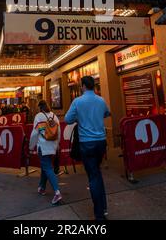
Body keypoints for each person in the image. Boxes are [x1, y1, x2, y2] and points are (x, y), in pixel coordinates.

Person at [65, 76, 111, 221]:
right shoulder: (101, 100)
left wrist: (80, 117)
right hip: (101, 142)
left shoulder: (78, 101)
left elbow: (67, 119)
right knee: (97, 173)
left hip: (87, 143)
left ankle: (99, 215)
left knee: (93, 176)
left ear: (83, 86)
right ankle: (103, 208)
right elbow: (107, 113)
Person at [29, 100, 62, 205]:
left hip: (43, 147)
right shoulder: (54, 116)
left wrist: (31, 146)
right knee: (45, 167)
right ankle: (42, 187)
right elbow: (59, 132)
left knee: (48, 168)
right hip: (52, 147)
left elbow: (35, 133)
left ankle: (57, 192)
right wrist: (57, 145)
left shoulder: (38, 116)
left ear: (40, 108)